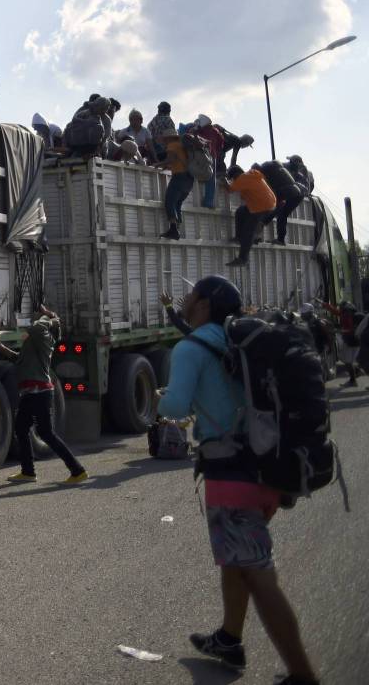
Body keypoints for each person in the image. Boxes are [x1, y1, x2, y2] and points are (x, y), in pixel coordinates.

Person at [157, 275, 320, 685]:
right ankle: (229, 638)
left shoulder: (191, 348)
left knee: (257, 572)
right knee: (238, 560)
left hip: (232, 474)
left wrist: (161, 396)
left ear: (205, 304)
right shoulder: (239, 340)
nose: (185, 298)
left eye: (191, 295)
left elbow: (175, 405)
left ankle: (303, 674)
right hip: (269, 467)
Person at [0, 306, 89, 485]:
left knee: (46, 433)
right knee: (22, 428)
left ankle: (77, 470)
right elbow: (20, 360)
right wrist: (2, 349)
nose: (36, 320)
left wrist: (49, 317)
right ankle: (28, 472)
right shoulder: (36, 342)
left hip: (39, 392)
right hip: (31, 392)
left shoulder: (44, 338)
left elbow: (38, 327)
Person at [226, 165, 278, 267]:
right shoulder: (250, 176)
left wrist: (224, 181)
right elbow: (245, 193)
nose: (233, 180)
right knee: (241, 211)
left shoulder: (242, 178)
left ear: (235, 175)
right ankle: (239, 237)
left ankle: (243, 259)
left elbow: (230, 189)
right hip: (267, 203)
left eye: (232, 179)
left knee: (248, 230)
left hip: (262, 205)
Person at [256, 160, 305, 246]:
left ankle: (279, 239)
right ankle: (277, 236)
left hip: (291, 192)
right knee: (281, 212)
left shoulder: (267, 172)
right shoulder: (274, 167)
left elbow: (271, 191)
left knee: (280, 212)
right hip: (296, 191)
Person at [160, 130, 194, 240]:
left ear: (169, 138)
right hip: (189, 179)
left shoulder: (172, 145)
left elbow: (170, 159)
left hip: (179, 177)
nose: (164, 142)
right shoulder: (182, 146)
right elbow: (177, 161)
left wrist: (158, 164)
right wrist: (168, 166)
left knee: (169, 202)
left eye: (165, 139)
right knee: (177, 203)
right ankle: (177, 229)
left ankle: (174, 229)